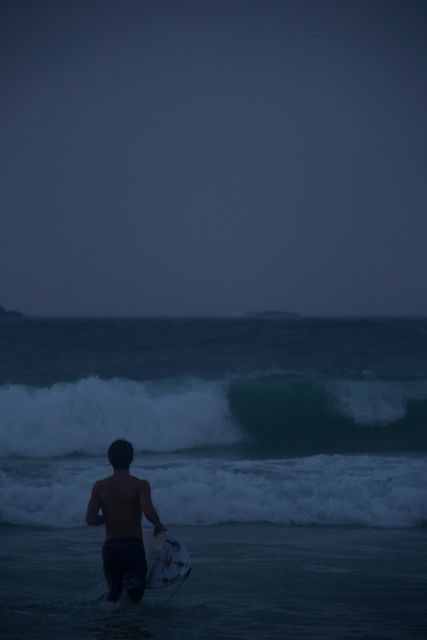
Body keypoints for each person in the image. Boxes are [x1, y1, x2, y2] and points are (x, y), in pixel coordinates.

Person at [86, 439, 167, 603]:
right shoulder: (140, 485)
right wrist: (158, 525)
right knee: (134, 600)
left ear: (109, 459)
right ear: (131, 459)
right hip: (132, 548)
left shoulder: (99, 486)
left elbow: (91, 519)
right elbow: (148, 511)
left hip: (110, 549)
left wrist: (109, 517)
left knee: (114, 596)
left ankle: (112, 627)